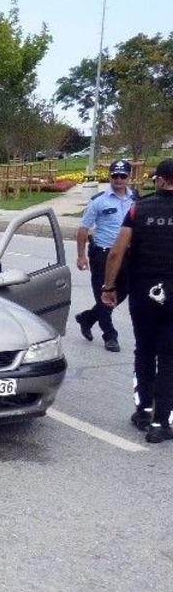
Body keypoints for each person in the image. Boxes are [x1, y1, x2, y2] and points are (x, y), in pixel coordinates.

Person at [101, 158, 173, 443]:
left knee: (144, 350)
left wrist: (109, 287)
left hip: (144, 292)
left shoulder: (138, 208)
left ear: (161, 179)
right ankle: (160, 423)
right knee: (169, 357)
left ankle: (143, 410)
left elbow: (117, 252)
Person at [74, 159, 135, 352]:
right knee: (103, 294)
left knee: (123, 290)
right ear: (109, 177)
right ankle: (110, 335)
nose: (118, 179)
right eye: (114, 176)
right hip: (102, 254)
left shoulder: (135, 199)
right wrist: (81, 256)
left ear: (129, 177)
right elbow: (83, 228)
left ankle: (88, 318)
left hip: (126, 255)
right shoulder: (99, 201)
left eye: (122, 176)